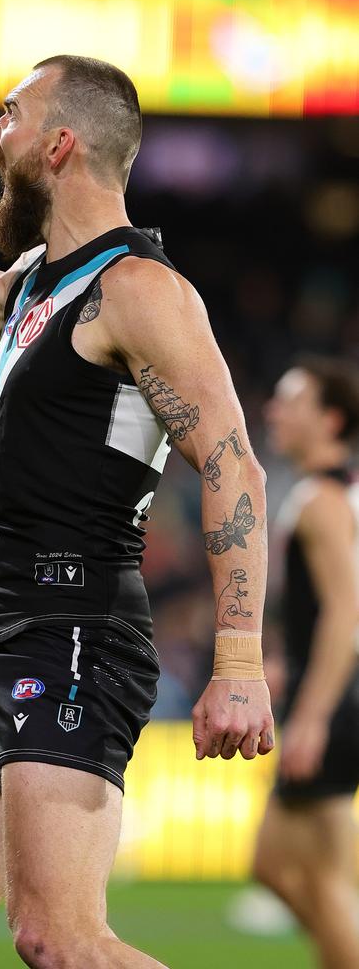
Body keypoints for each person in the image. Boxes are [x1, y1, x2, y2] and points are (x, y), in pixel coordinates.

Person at [0, 55, 274, 969]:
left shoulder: (138, 290)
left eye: (11, 113)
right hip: (10, 632)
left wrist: (239, 660)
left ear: (60, 143)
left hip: (77, 629)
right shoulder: (42, 279)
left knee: (58, 939)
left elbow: (233, 462)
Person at [253, 357, 359, 968]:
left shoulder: (320, 501)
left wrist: (313, 717)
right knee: (287, 871)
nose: (275, 409)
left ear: (331, 419)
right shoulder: (334, 493)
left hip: (334, 705)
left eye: (291, 401)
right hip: (331, 694)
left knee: (321, 880)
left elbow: (344, 612)